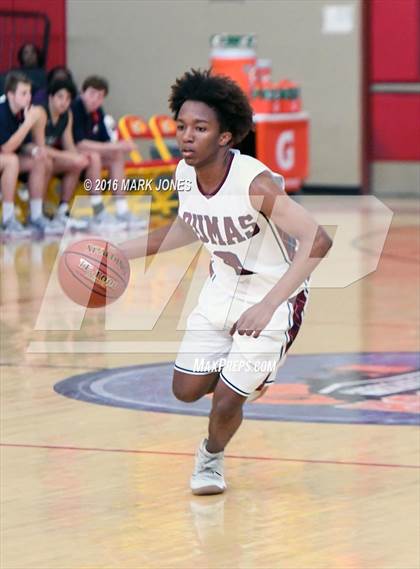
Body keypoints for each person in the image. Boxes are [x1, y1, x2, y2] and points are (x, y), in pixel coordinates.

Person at [120, 69, 333, 495]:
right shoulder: (185, 173)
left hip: (274, 291)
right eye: (181, 126)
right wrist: (118, 250)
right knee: (185, 390)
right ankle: (248, 374)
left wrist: (269, 305)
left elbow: (319, 239)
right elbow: (187, 227)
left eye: (200, 128)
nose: (186, 136)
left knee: (226, 400)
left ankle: (211, 457)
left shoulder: (255, 182)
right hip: (221, 287)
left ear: (225, 136)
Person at [72, 75, 145, 229]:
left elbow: (105, 141)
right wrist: (117, 146)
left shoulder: (98, 112)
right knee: (96, 156)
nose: (95, 100)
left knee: (116, 155)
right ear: (82, 92)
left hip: (90, 159)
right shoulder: (75, 108)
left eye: (100, 96)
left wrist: (117, 148)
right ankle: (98, 211)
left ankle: (122, 210)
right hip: (72, 158)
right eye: (92, 94)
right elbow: (80, 144)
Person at [0, 71, 53, 236]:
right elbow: (6, 148)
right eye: (23, 93)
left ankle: (36, 216)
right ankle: (8, 218)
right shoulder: (1, 111)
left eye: (29, 92)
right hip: (5, 157)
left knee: (39, 161)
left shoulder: (21, 112)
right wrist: (29, 122)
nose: (28, 97)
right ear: (10, 94)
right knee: (11, 160)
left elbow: (22, 145)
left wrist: (35, 149)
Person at [37, 78, 91, 230]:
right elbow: (40, 148)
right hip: (32, 158)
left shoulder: (67, 115)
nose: (64, 102)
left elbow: (69, 145)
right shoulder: (41, 112)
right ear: (50, 97)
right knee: (46, 161)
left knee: (77, 162)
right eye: (60, 97)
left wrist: (78, 159)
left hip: (49, 159)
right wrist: (70, 156)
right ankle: (39, 214)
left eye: (68, 98)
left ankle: (63, 211)